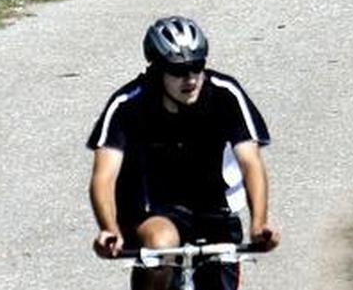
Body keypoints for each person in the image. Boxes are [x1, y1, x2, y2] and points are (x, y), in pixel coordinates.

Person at [88, 16, 280, 290]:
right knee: (161, 246)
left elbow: (250, 162)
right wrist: (109, 228)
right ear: (157, 70)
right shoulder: (128, 105)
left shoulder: (225, 95)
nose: (190, 78)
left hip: (215, 211)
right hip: (151, 213)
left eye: (197, 66)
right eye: (178, 70)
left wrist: (259, 223)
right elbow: (103, 177)